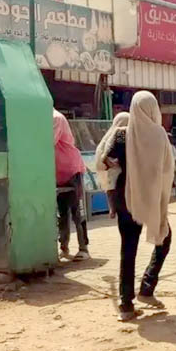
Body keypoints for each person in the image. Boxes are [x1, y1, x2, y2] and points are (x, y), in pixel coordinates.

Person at [101, 91, 175, 321]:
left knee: (128, 249)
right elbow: (167, 168)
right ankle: (147, 287)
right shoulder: (159, 135)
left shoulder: (122, 135)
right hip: (150, 197)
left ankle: (126, 305)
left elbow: (105, 159)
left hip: (125, 198)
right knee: (164, 237)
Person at [53, 109, 90, 261]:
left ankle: (83, 248)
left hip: (72, 170)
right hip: (58, 173)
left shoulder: (56, 118)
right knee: (62, 213)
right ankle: (64, 247)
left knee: (77, 211)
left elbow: (47, 142)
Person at [94, 112, 129, 218]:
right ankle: (113, 208)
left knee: (110, 189)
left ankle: (112, 208)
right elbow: (108, 153)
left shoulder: (110, 135)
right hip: (112, 168)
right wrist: (108, 161)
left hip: (107, 169)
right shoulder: (120, 133)